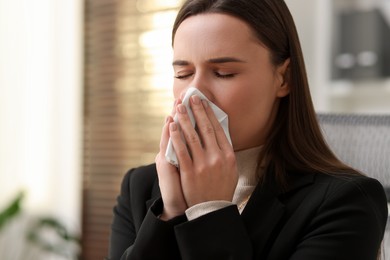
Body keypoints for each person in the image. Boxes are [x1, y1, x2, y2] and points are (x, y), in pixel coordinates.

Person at [107, 0, 388, 259]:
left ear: (283, 78)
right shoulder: (140, 186)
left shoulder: (347, 203)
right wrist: (171, 212)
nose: (194, 94)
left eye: (224, 73)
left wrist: (209, 210)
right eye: (183, 74)